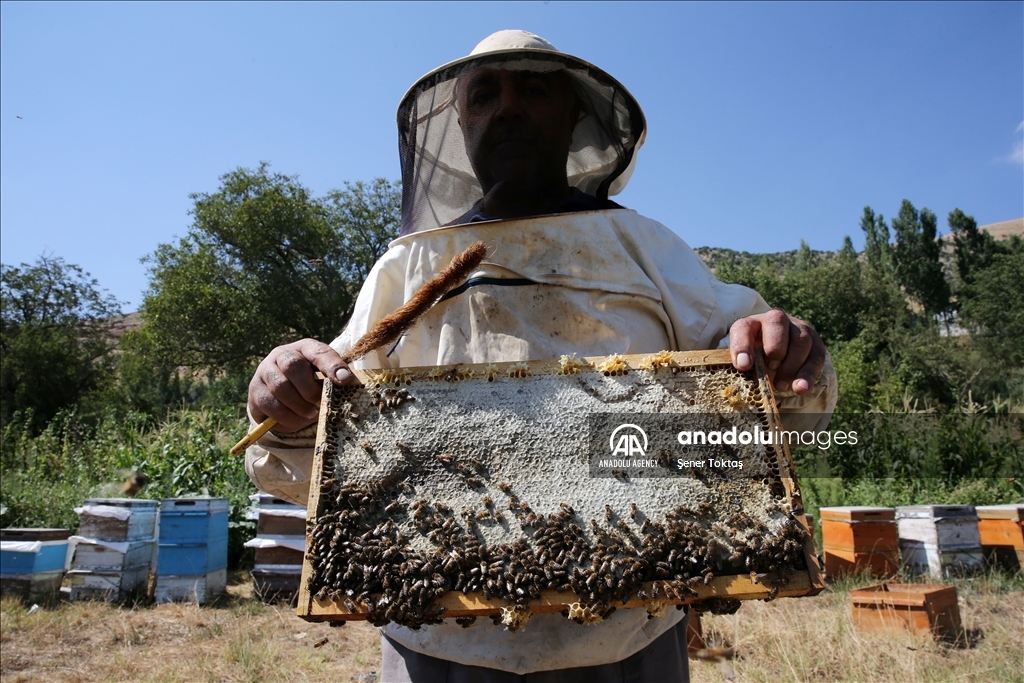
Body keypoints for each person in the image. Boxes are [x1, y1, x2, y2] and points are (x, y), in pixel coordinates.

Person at [245, 30, 836, 682]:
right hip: (437, 647)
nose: (508, 107)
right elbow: (321, 453)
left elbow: (770, 401)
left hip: (628, 643)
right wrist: (288, 398)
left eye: (533, 89)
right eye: (484, 95)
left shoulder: (645, 247)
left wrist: (784, 356)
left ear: (575, 111)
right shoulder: (407, 266)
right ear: (461, 121)